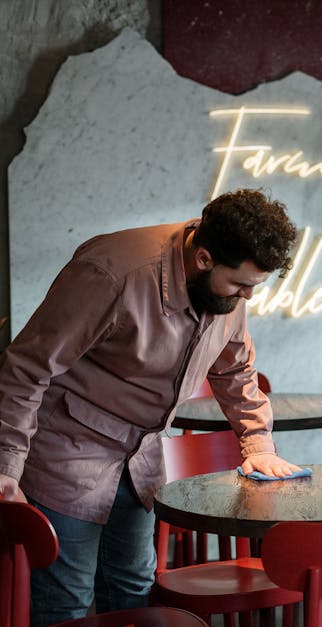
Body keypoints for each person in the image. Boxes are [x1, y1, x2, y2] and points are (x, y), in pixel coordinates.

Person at [0, 188, 303, 626]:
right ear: (203, 259)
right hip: (64, 454)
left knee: (133, 592)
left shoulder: (227, 293)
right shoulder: (111, 272)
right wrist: (6, 467)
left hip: (139, 459)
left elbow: (235, 371)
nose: (248, 298)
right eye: (241, 284)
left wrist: (258, 442)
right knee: (64, 605)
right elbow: (25, 368)